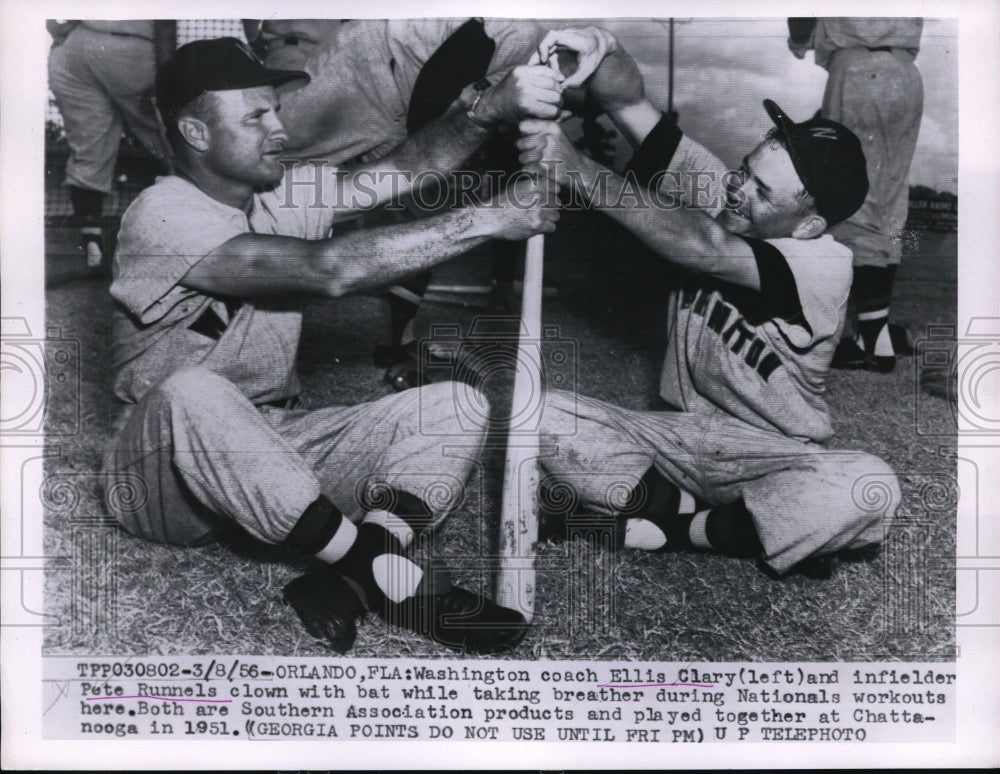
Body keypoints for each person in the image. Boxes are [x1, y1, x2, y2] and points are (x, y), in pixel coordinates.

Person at [103, 38, 563, 653]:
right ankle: (386, 574)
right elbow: (328, 270)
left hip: (270, 445)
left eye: (276, 110)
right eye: (255, 116)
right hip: (165, 471)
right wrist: (486, 220)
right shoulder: (160, 215)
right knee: (191, 390)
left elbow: (407, 170)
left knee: (455, 403)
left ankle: (351, 574)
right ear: (195, 131)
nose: (280, 129)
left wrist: (485, 109)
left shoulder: (281, 196)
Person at [517, 27, 901, 578]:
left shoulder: (824, 263)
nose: (738, 189)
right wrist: (604, 51)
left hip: (767, 454)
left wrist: (576, 170)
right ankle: (731, 525)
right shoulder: (728, 195)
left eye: (762, 191)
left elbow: (703, 245)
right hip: (676, 438)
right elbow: (628, 102)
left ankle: (665, 528)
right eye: (746, 171)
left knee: (870, 487)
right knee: (536, 412)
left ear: (810, 224)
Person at [242, 19, 549, 390]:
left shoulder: (538, 39)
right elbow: (436, 107)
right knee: (253, 156)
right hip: (367, 70)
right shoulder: (519, 30)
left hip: (415, 94)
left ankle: (398, 342)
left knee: (422, 206)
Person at [788, 18, 924, 372]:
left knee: (855, 202)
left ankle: (875, 342)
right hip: (907, 73)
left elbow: (801, 20)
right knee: (891, 205)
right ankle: (877, 331)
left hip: (860, 71)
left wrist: (799, 38)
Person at [47, 20, 176, 268]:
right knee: (171, 142)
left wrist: (58, 26)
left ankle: (91, 241)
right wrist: (167, 75)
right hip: (132, 49)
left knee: (88, 151)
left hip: (74, 46)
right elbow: (165, 22)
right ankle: (196, 233)